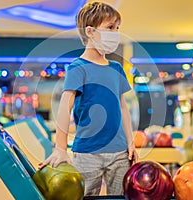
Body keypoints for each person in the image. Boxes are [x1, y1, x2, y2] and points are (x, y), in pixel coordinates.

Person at [38, 1, 138, 196]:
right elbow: (64, 108)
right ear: (91, 32)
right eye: (110, 27)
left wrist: (130, 143)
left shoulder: (116, 69)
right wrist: (60, 148)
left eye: (117, 28)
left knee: (119, 197)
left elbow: (123, 108)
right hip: (87, 153)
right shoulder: (78, 67)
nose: (116, 33)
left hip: (120, 154)